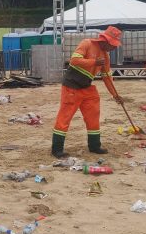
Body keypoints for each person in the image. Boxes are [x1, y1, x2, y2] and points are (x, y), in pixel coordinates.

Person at [52, 26, 124, 158]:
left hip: (87, 88)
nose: (114, 48)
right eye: (112, 45)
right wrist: (94, 62)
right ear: (104, 40)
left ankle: (95, 146)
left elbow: (107, 77)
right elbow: (74, 61)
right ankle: (57, 149)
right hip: (71, 87)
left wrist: (115, 95)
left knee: (93, 116)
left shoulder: (106, 57)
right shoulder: (87, 43)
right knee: (65, 117)